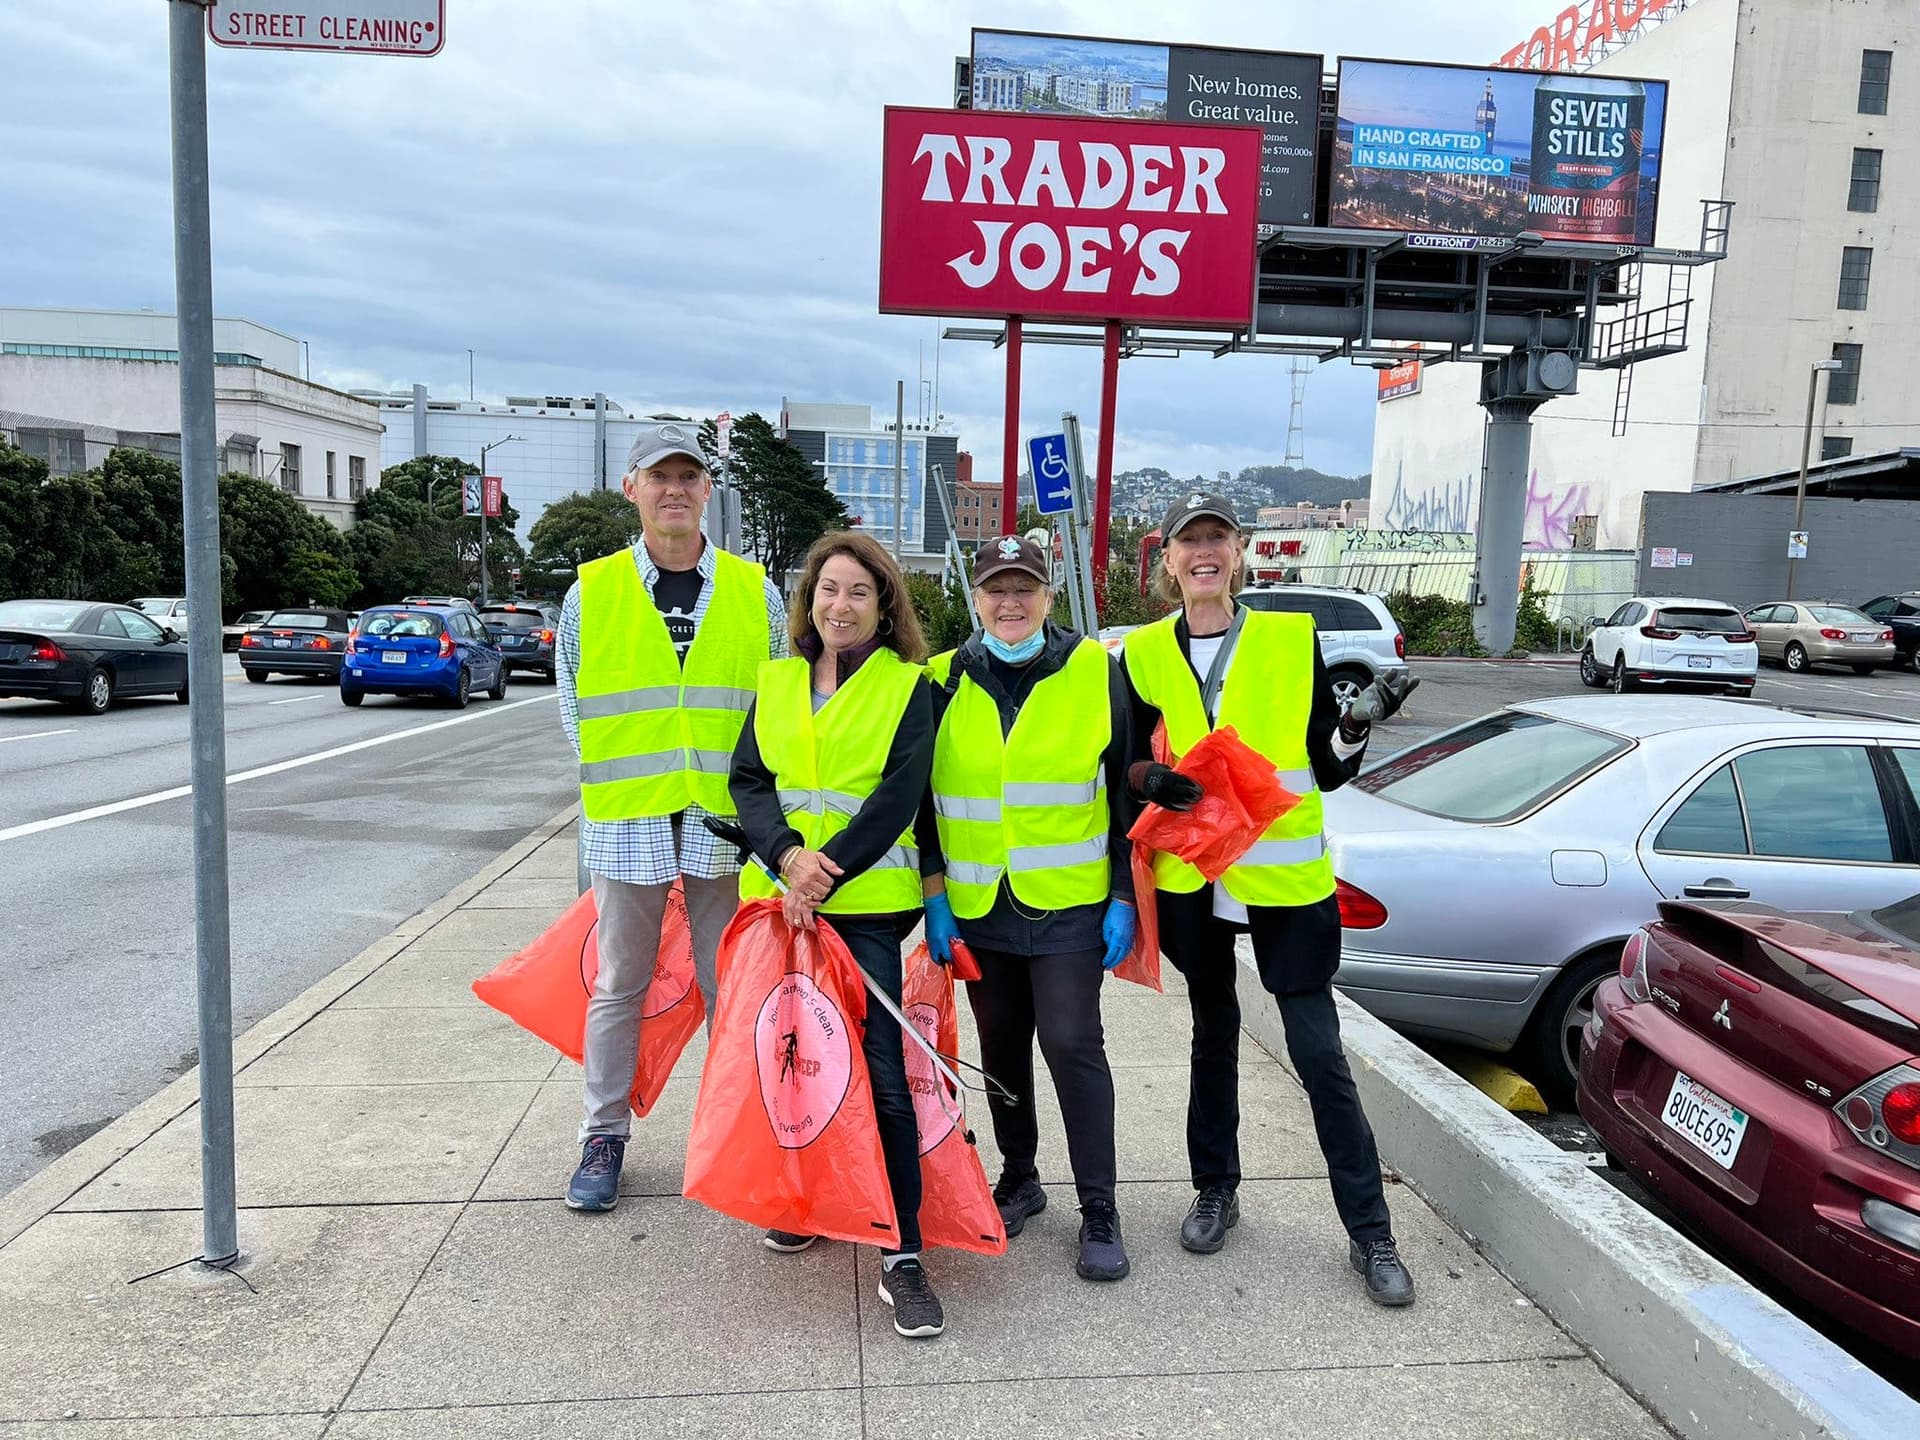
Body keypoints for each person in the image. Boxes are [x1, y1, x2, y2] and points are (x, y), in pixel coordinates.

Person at [1121, 492, 1419, 1307]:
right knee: (1211, 1031)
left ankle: (1372, 1233)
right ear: (1170, 561)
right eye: (1190, 544)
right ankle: (1215, 1188)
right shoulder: (1143, 652)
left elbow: (1325, 765)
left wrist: (1356, 727)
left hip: (1284, 879)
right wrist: (1153, 780)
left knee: (1318, 1051)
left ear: (1239, 550)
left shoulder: (1291, 641)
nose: (1204, 555)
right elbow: (1124, 763)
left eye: (1217, 539)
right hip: (1195, 876)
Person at [555, 421, 786, 1213]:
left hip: (727, 821)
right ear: (633, 489)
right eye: (660, 477)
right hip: (631, 818)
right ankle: (603, 1135)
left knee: (733, 986)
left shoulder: (756, 592)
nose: (675, 489)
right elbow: (573, 706)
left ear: (708, 490)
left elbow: (780, 704)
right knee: (621, 981)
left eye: (689, 476)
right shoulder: (594, 591)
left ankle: (734, 1134)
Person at [728, 531, 945, 1340]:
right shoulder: (778, 680)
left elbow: (900, 795)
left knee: (883, 1075)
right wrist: (786, 858)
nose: (841, 605)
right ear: (808, 601)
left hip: (866, 908)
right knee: (797, 1068)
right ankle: (812, 1205)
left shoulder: (907, 686)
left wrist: (825, 872)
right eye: (829, 590)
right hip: (782, 908)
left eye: (859, 591)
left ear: (885, 605)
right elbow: (748, 780)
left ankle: (902, 1252)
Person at [918, 535, 1134, 1283]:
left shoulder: (1095, 672)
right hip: (980, 906)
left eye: (1025, 589)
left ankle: (1100, 1208)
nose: (1010, 603)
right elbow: (921, 803)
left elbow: (1126, 791)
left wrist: (1122, 894)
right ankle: (1021, 1177)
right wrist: (935, 897)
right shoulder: (940, 679)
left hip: (1071, 903)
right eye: (995, 589)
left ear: (1049, 597)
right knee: (1002, 1048)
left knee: (1074, 1045)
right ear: (973, 597)